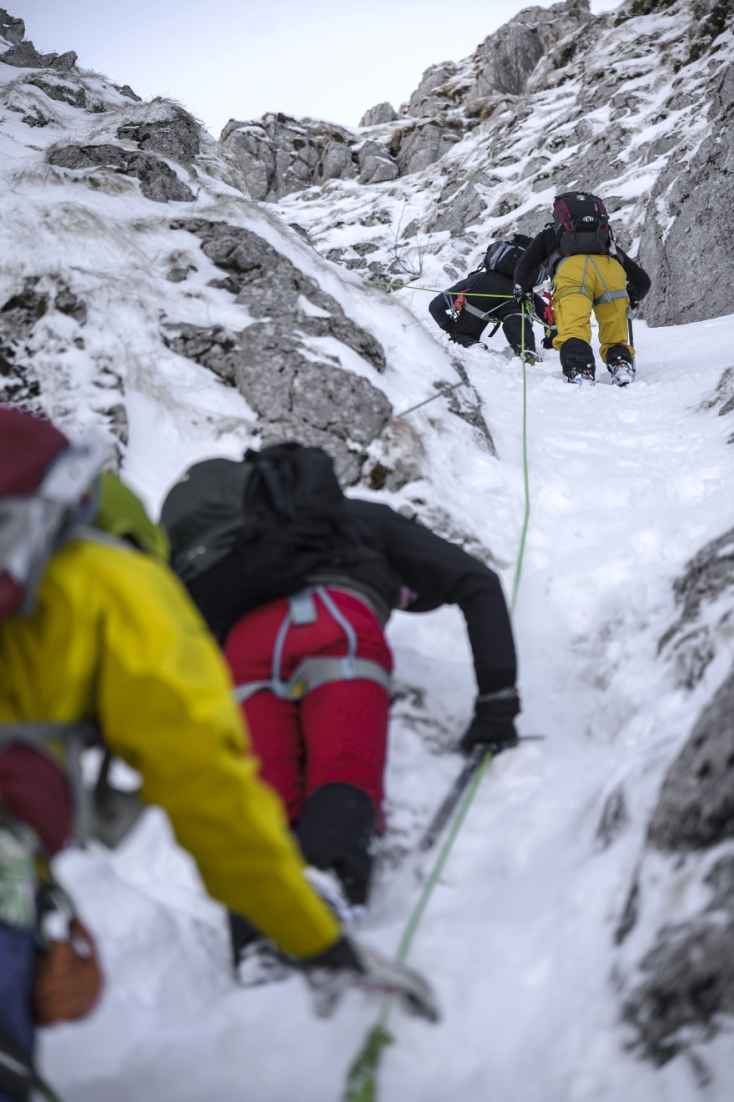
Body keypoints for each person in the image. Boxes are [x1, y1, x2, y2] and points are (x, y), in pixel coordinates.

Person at [0, 411, 436, 1102]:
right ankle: (322, 906)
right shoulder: (110, 579)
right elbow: (212, 791)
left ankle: (255, 948)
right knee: (341, 768)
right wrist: (315, 939)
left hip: (255, 655)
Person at [162, 443, 520, 932]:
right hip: (338, 624)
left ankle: (260, 936)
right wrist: (497, 700)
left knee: (269, 801)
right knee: (342, 769)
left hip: (246, 647)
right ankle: (328, 887)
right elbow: (477, 582)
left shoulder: (240, 552)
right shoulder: (366, 520)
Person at [513, 191, 651, 386]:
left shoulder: (550, 234)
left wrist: (522, 291)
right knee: (615, 335)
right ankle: (621, 366)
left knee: (573, 330)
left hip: (572, 274)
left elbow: (525, 266)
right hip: (609, 272)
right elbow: (642, 281)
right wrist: (632, 297)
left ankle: (580, 371)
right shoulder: (603, 238)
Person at [428, 233, 547, 363]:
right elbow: (547, 316)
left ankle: (468, 342)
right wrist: (551, 340)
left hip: (485, 289)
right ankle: (527, 350)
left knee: (465, 329)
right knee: (518, 319)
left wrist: (452, 329)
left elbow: (436, 306)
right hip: (517, 295)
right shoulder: (525, 290)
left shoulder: (478, 278)